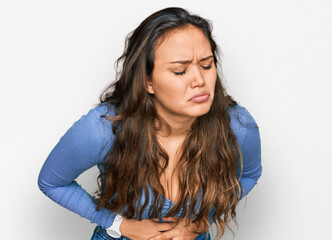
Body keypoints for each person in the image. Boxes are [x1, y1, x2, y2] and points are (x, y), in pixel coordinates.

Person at [38, 7, 262, 240]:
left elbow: (250, 174)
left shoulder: (237, 125)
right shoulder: (104, 128)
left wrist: (202, 220)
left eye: (207, 65)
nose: (200, 80)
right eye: (180, 71)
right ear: (147, 82)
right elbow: (52, 182)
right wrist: (118, 224)